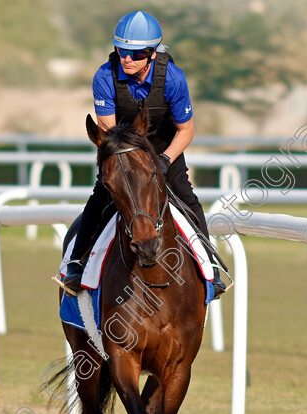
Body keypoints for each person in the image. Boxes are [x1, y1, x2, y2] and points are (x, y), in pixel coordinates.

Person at [62, 10, 227, 299]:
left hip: (164, 144)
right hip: (123, 143)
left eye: (136, 53)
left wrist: (162, 161)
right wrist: (124, 163)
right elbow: (108, 133)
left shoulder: (173, 78)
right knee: (101, 194)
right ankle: (75, 263)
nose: (127, 58)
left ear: (152, 54)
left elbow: (186, 130)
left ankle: (210, 264)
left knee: (185, 195)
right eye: (122, 51)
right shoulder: (104, 76)